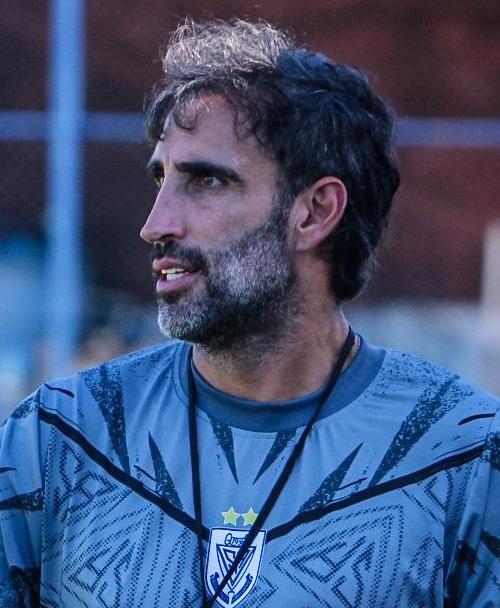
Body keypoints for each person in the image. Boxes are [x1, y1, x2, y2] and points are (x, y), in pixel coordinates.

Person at [0, 18, 498, 608]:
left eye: (207, 181)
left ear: (315, 212)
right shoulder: (59, 439)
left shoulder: (462, 456)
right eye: (161, 179)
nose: (156, 225)